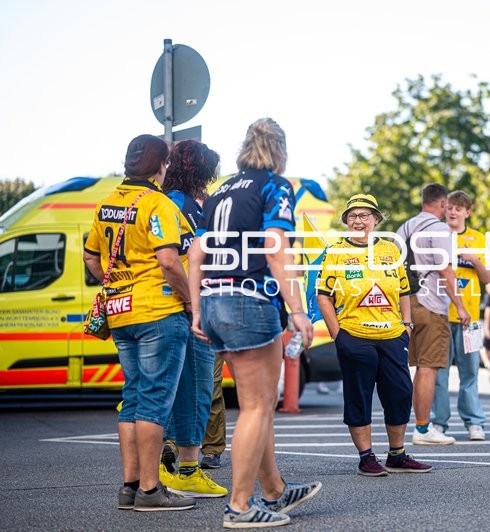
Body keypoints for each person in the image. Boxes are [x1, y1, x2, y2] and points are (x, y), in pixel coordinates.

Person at [188, 118, 321, 528]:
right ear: (279, 149)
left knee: (254, 406)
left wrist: (196, 309)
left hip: (213, 299)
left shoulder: (221, 191)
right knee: (258, 407)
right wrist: (297, 310)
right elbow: (276, 246)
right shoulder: (275, 186)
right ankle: (240, 506)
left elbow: (196, 251)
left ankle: (275, 490)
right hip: (249, 298)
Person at [84, 134, 195, 511]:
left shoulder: (107, 204)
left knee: (132, 399)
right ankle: (151, 490)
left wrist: (115, 284)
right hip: (157, 312)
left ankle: (130, 487)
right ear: (161, 165)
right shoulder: (156, 204)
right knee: (153, 402)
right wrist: (191, 301)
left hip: (120, 312)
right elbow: (168, 261)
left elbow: (91, 258)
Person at [317, 193, 432, 476]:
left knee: (400, 393)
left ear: (376, 220)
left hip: (393, 334)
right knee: (359, 395)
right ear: (346, 221)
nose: (358, 221)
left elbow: (404, 290)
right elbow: (323, 295)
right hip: (354, 334)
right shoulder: (335, 252)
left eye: (364, 215)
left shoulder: (391, 251)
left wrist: (406, 325)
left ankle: (397, 454)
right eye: (353, 216)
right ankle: (366, 457)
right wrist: (338, 334)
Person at [158, 140, 227, 498]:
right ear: (196, 171)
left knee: (194, 390)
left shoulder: (188, 203)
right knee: (185, 390)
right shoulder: (176, 204)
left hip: (190, 304)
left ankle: (184, 466)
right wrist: (193, 302)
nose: (212, 177)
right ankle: (173, 467)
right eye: (208, 170)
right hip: (182, 306)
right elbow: (175, 259)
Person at [397, 183, 470, 446]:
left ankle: (416, 425)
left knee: (414, 367)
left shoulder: (403, 228)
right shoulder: (440, 230)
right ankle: (423, 428)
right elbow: (446, 271)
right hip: (431, 304)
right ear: (441, 204)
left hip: (406, 303)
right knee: (428, 369)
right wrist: (460, 306)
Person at [431, 191, 490, 441]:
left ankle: (474, 423)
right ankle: (438, 423)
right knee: (439, 373)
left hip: (471, 319)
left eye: (459, 208)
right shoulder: (435, 236)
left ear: (468, 212)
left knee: (470, 373)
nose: (453, 212)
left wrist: (475, 259)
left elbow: (487, 278)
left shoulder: (478, 239)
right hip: (440, 316)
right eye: (450, 208)